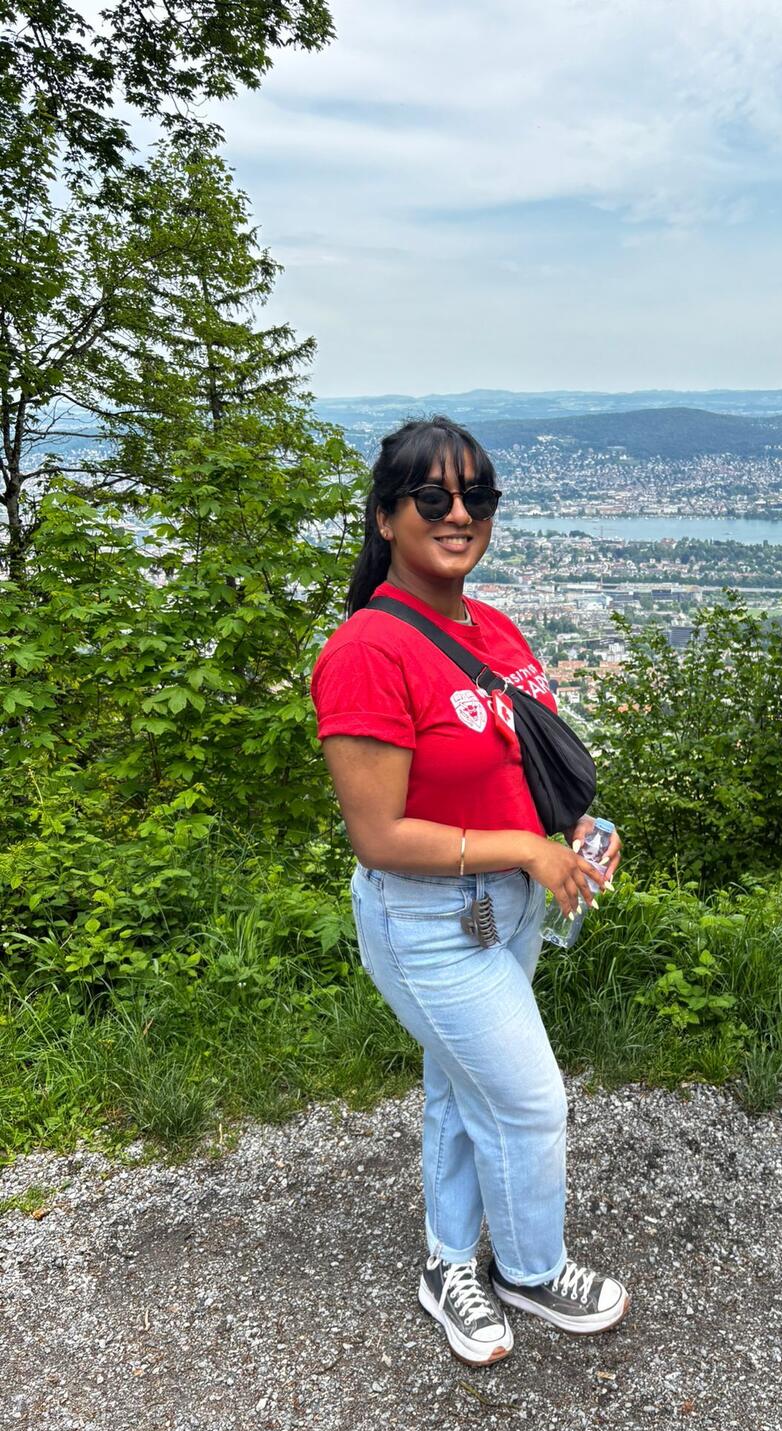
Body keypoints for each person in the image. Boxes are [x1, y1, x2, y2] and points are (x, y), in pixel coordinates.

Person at [309, 415, 630, 1367]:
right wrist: (525, 851)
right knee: (529, 1101)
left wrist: (566, 830)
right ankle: (531, 1268)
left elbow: (517, 760)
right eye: (434, 497)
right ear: (384, 517)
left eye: (477, 497)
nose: (459, 514)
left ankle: (448, 1265)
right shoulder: (368, 650)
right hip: (431, 919)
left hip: (508, 908)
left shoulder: (489, 625)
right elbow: (380, 834)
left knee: (462, 1087)